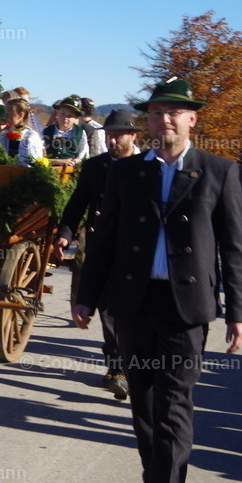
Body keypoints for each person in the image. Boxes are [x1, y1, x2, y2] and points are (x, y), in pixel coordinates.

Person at [71, 78, 242, 483]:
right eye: (156, 113)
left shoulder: (218, 171)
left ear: (192, 119)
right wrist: (85, 295)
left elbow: (234, 249)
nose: (165, 120)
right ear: (147, 122)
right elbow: (105, 237)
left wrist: (240, 312)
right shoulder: (127, 173)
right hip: (132, 304)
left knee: (173, 408)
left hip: (184, 310)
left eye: (175, 112)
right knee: (144, 409)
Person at [53, 109, 141, 400]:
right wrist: (65, 233)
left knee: (136, 312)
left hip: (140, 250)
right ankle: (117, 367)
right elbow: (78, 204)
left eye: (119, 135)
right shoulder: (95, 167)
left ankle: (135, 364)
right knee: (108, 307)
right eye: (109, 135)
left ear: (133, 135)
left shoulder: (149, 167)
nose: (113, 140)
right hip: (103, 247)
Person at [0, 87, 43, 166]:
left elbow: (34, 162)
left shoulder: (31, 136)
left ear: (21, 114)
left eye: (10, 114)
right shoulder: (4, 135)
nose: (6, 118)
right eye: (6, 114)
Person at [42, 95, 89, 169]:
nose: (65, 118)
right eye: (62, 113)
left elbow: (83, 154)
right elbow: (40, 156)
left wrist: (73, 162)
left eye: (70, 115)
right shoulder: (46, 131)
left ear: (76, 118)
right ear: (57, 113)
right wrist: (58, 161)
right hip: (48, 170)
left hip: (71, 171)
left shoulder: (80, 133)